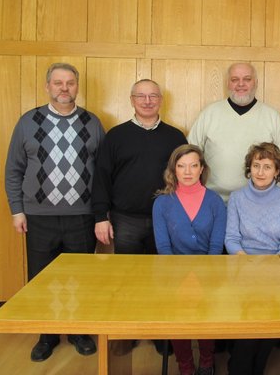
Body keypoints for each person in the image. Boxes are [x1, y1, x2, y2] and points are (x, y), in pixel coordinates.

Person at [5, 62, 104, 362]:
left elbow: (103, 172)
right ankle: (46, 335)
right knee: (40, 279)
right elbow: (14, 170)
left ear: (77, 86)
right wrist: (17, 210)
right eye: (58, 83)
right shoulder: (28, 121)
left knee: (79, 278)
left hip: (82, 216)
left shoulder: (92, 122)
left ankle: (78, 332)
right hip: (38, 217)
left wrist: (102, 213)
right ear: (47, 86)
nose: (64, 88)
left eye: (70, 83)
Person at [92, 78, 186, 354]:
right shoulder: (116, 136)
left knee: (163, 279)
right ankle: (128, 332)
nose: (147, 101)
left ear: (161, 100)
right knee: (128, 280)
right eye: (141, 96)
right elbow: (102, 177)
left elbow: (186, 177)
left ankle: (160, 333)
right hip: (126, 219)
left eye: (153, 96)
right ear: (132, 100)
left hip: (165, 220)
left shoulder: (175, 137)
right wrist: (100, 216)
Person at [224, 142, 280, 374]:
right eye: (256, 165)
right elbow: (231, 239)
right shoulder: (237, 198)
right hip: (242, 269)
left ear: (277, 171)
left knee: (266, 328)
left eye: (267, 166)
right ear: (249, 168)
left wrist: (268, 271)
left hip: (276, 273)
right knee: (249, 331)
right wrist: (247, 264)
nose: (260, 172)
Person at [153, 144, 226, 375]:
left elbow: (216, 246)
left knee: (207, 315)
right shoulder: (162, 203)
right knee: (178, 318)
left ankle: (206, 362)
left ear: (201, 169)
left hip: (208, 271)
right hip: (174, 274)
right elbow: (163, 247)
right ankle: (185, 365)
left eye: (193, 166)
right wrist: (179, 279)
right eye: (181, 166)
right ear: (173, 169)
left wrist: (204, 278)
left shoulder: (215, 201)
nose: (187, 172)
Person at [188, 62, 280, 203]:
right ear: (227, 83)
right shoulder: (209, 114)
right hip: (212, 201)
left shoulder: (272, 117)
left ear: (256, 83)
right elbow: (189, 155)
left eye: (247, 79)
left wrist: (279, 201)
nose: (241, 84)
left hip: (258, 203)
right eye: (235, 79)